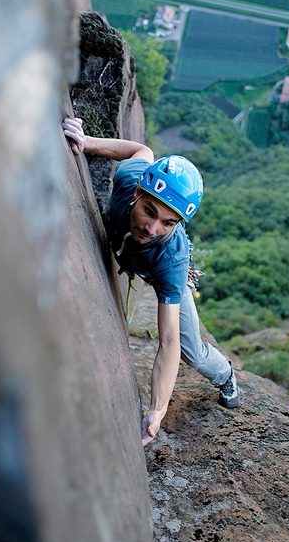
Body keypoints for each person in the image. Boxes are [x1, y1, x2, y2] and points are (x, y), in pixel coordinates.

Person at [62, 117, 240, 446]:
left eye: (169, 222)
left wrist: (157, 410)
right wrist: (86, 143)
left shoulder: (171, 257)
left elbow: (168, 343)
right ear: (139, 191)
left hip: (160, 270)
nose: (153, 227)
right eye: (149, 211)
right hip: (133, 257)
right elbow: (140, 149)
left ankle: (226, 376)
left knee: (192, 352)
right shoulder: (131, 178)